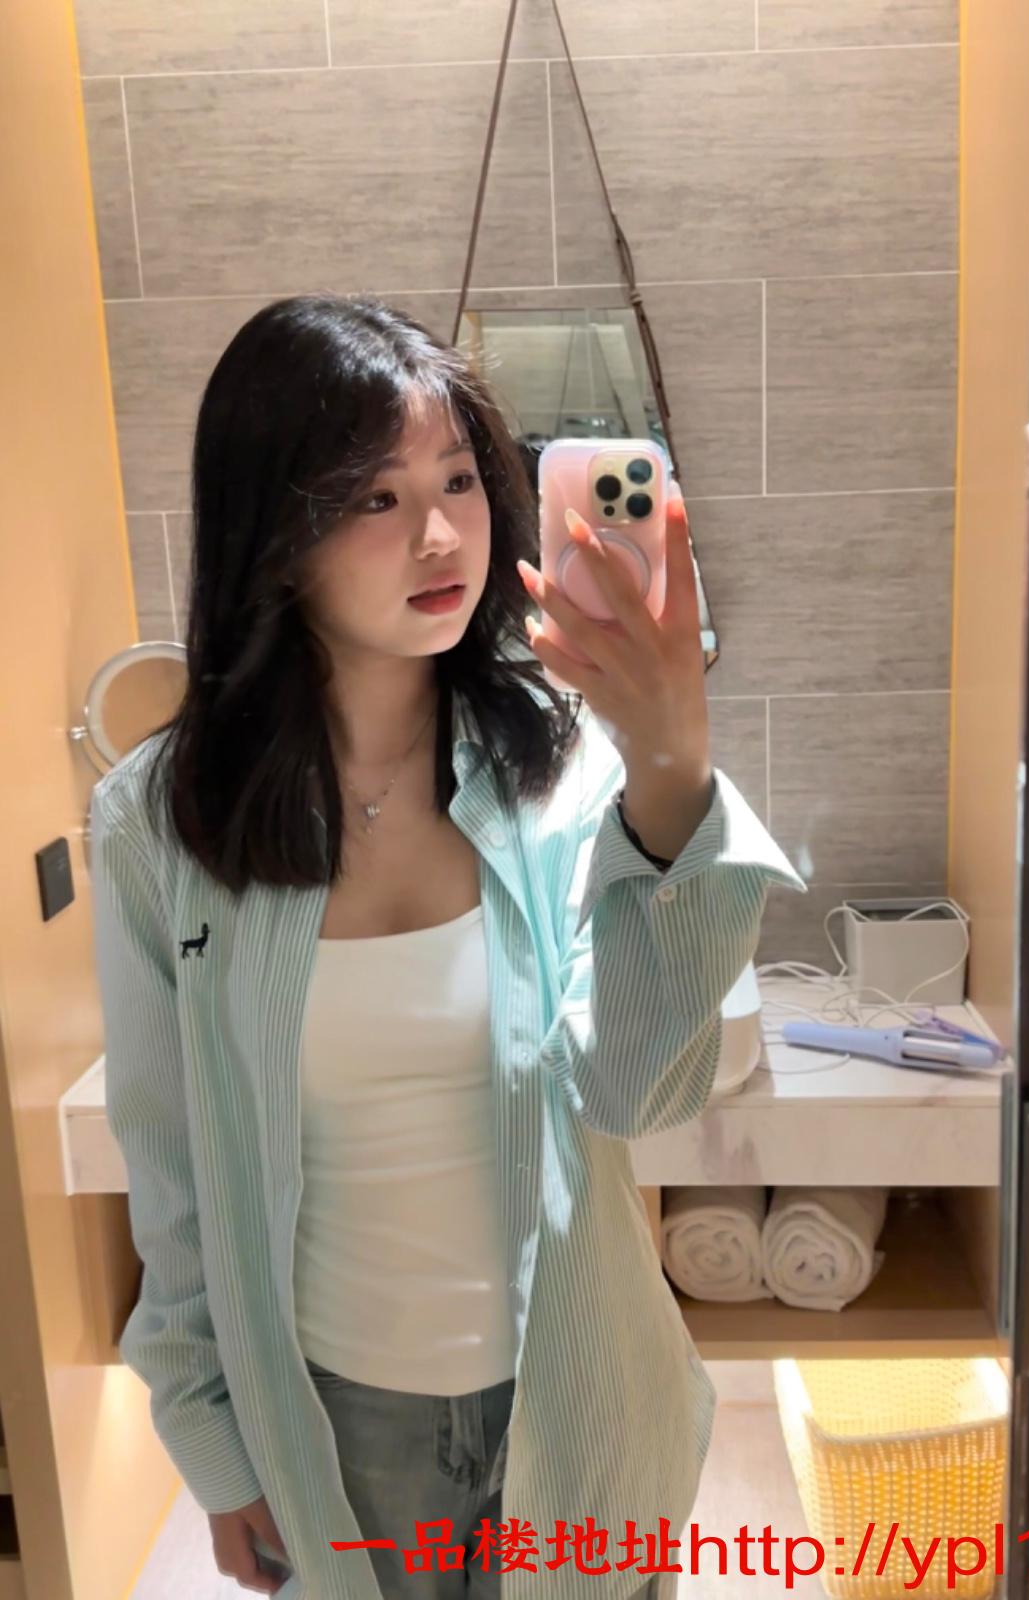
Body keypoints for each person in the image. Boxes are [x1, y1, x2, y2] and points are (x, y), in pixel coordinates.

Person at [89, 296, 807, 1599]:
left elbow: (638, 1090)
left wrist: (671, 766)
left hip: (581, 1392)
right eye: (374, 496)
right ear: (272, 530)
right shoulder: (161, 820)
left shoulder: (562, 763)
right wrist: (210, 1438)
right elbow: (172, 1153)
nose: (439, 535)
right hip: (338, 1426)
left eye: (460, 480)